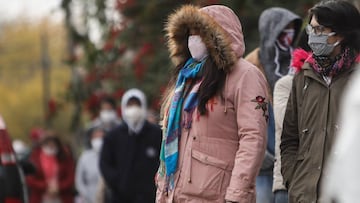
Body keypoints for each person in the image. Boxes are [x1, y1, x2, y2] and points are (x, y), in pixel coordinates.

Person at [156, 4, 269, 203]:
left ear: (217, 35)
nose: (193, 39)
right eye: (190, 34)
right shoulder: (186, 78)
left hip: (219, 196)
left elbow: (253, 138)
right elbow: (171, 139)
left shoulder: (245, 75)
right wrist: (162, 193)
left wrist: (237, 194)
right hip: (178, 195)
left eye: (199, 32)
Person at [280, 1, 360, 202]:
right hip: (304, 194)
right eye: (311, 29)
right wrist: (294, 180)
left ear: (341, 34)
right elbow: (290, 138)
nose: (313, 35)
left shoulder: (356, 80)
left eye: (320, 29)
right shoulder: (303, 76)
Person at [245, 7, 302, 203]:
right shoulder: (250, 67)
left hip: (294, 159)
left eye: (291, 29)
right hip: (262, 164)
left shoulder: (301, 64)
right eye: (283, 29)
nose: (288, 34)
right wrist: (259, 151)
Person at [100, 88, 162, 203]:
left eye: (137, 104)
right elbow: (105, 164)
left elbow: (163, 161)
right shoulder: (113, 136)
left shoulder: (156, 134)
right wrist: (118, 182)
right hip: (120, 197)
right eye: (130, 104)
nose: (133, 108)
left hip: (150, 197)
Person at [26, 135, 75, 203]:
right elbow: (30, 179)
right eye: (48, 144)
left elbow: (70, 177)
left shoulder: (65, 157)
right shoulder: (34, 157)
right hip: (40, 197)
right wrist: (45, 186)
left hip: (62, 197)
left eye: (53, 145)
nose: (51, 146)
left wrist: (58, 187)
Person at [75, 126, 105, 203]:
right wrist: (87, 195)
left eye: (101, 137)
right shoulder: (85, 156)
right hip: (88, 197)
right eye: (96, 137)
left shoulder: (112, 155)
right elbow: (79, 181)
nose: (99, 140)